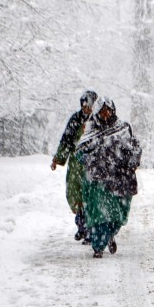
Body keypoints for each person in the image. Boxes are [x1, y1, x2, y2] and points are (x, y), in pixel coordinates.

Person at [75, 97, 141, 258]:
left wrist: (133, 160)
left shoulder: (123, 128)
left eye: (108, 111)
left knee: (117, 215)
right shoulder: (91, 131)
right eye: (102, 111)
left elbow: (134, 147)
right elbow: (80, 151)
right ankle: (98, 246)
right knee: (99, 214)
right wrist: (88, 159)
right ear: (96, 113)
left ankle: (110, 234)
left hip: (120, 179)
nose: (105, 114)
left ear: (113, 111)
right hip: (97, 180)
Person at [51, 90, 97, 243]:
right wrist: (58, 159)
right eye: (85, 106)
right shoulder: (75, 119)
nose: (87, 109)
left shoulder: (99, 120)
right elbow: (65, 140)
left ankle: (91, 231)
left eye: (90, 106)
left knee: (91, 197)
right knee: (75, 195)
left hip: (93, 165)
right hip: (76, 164)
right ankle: (82, 226)